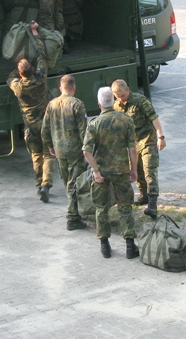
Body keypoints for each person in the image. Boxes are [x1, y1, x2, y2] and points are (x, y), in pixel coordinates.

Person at [82, 87, 139, 259]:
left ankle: (105, 245)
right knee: (125, 207)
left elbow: (86, 151)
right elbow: (132, 149)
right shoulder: (126, 120)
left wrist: (96, 170)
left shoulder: (94, 124)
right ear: (113, 102)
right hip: (121, 171)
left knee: (101, 207)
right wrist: (134, 169)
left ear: (99, 104)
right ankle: (130, 246)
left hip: (102, 173)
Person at [8, 22, 55, 202]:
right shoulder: (41, 78)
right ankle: (46, 184)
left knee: (36, 154)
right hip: (47, 124)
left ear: (21, 74)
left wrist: (16, 67)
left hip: (32, 127)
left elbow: (9, 78)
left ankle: (38, 183)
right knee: (49, 153)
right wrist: (35, 34)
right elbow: (42, 56)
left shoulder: (19, 87)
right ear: (33, 70)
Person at [111, 79, 165, 218]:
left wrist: (161, 137)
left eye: (122, 95)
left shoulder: (141, 101)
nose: (120, 99)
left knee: (149, 170)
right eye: (117, 96)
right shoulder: (117, 105)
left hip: (147, 140)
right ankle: (144, 195)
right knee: (138, 171)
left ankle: (152, 203)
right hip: (132, 145)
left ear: (128, 89)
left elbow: (154, 118)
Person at [42, 74, 88, 230]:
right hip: (75, 150)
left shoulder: (51, 105)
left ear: (60, 88)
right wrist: (87, 149)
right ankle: (72, 217)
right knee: (74, 184)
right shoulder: (77, 104)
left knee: (68, 182)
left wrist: (50, 146)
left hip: (59, 151)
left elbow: (45, 129)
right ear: (74, 88)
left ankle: (74, 212)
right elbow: (83, 131)